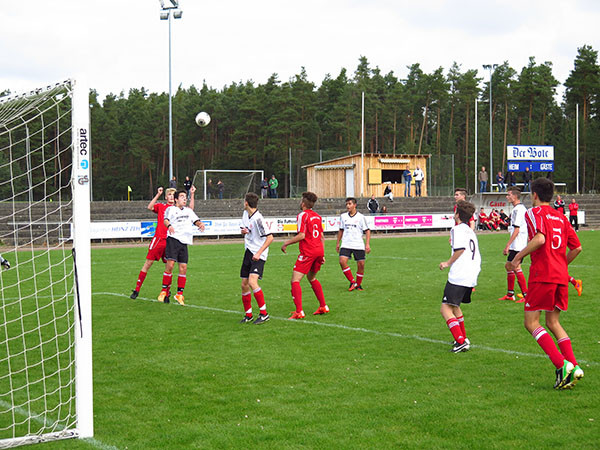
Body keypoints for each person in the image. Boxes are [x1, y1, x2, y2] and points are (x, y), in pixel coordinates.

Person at [506, 177, 583, 389]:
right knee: (553, 322)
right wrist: (561, 264)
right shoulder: (562, 218)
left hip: (543, 275)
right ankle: (574, 367)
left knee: (531, 322)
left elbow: (539, 239)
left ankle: (561, 365)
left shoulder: (534, 213)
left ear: (535, 195)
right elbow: (577, 248)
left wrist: (516, 258)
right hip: (560, 277)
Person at [130, 186, 195, 300]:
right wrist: (158, 194)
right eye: (169, 194)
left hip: (172, 241)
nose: (171, 196)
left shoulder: (179, 209)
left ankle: (166, 293)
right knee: (148, 263)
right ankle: (137, 289)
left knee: (169, 267)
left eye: (172, 194)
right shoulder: (162, 207)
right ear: (166, 197)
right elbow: (150, 207)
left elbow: (191, 210)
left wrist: (192, 194)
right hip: (159, 240)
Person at [439, 200, 481, 353]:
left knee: (445, 309)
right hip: (471, 273)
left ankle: (461, 341)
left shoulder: (457, 229)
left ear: (457, 214)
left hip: (460, 274)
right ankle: (463, 337)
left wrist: (447, 263)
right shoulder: (470, 230)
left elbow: (460, 249)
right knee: (455, 306)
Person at [281, 192, 328, 318]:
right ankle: (323, 306)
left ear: (303, 203)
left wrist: (286, 243)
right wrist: (322, 254)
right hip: (318, 250)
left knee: (295, 280)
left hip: (309, 251)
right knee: (311, 278)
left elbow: (302, 235)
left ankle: (299, 311)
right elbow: (322, 236)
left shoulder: (303, 215)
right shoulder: (317, 217)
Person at [158, 190, 205, 305]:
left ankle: (179, 294)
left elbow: (196, 220)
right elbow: (165, 220)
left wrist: (200, 224)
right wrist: (169, 226)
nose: (185, 199)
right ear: (176, 199)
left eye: (185, 197)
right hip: (173, 240)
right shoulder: (171, 209)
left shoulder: (189, 211)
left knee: (183, 268)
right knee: (170, 265)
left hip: (184, 242)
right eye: (182, 197)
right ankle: (164, 291)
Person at [239, 193, 274, 325]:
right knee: (244, 284)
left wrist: (259, 253)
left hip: (258, 254)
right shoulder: (246, 215)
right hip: (249, 252)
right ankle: (248, 315)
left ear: (246, 203)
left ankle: (264, 314)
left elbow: (270, 237)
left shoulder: (258, 219)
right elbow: (248, 229)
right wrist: (245, 231)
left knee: (253, 282)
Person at [499, 187, 528, 302]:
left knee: (515, 267)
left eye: (509, 195)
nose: (507, 197)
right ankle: (510, 294)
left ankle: (526, 295)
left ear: (515, 196)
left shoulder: (518, 210)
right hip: (518, 244)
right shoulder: (520, 209)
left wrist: (508, 245)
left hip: (518, 245)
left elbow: (517, 229)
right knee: (509, 266)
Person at [336, 197, 371, 291]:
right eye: (347, 204)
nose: (348, 206)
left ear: (354, 205)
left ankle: (358, 285)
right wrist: (338, 243)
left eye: (350, 204)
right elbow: (341, 230)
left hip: (358, 244)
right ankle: (352, 282)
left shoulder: (361, 217)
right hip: (346, 243)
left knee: (361, 265)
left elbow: (367, 231)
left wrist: (367, 244)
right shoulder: (343, 216)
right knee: (342, 261)